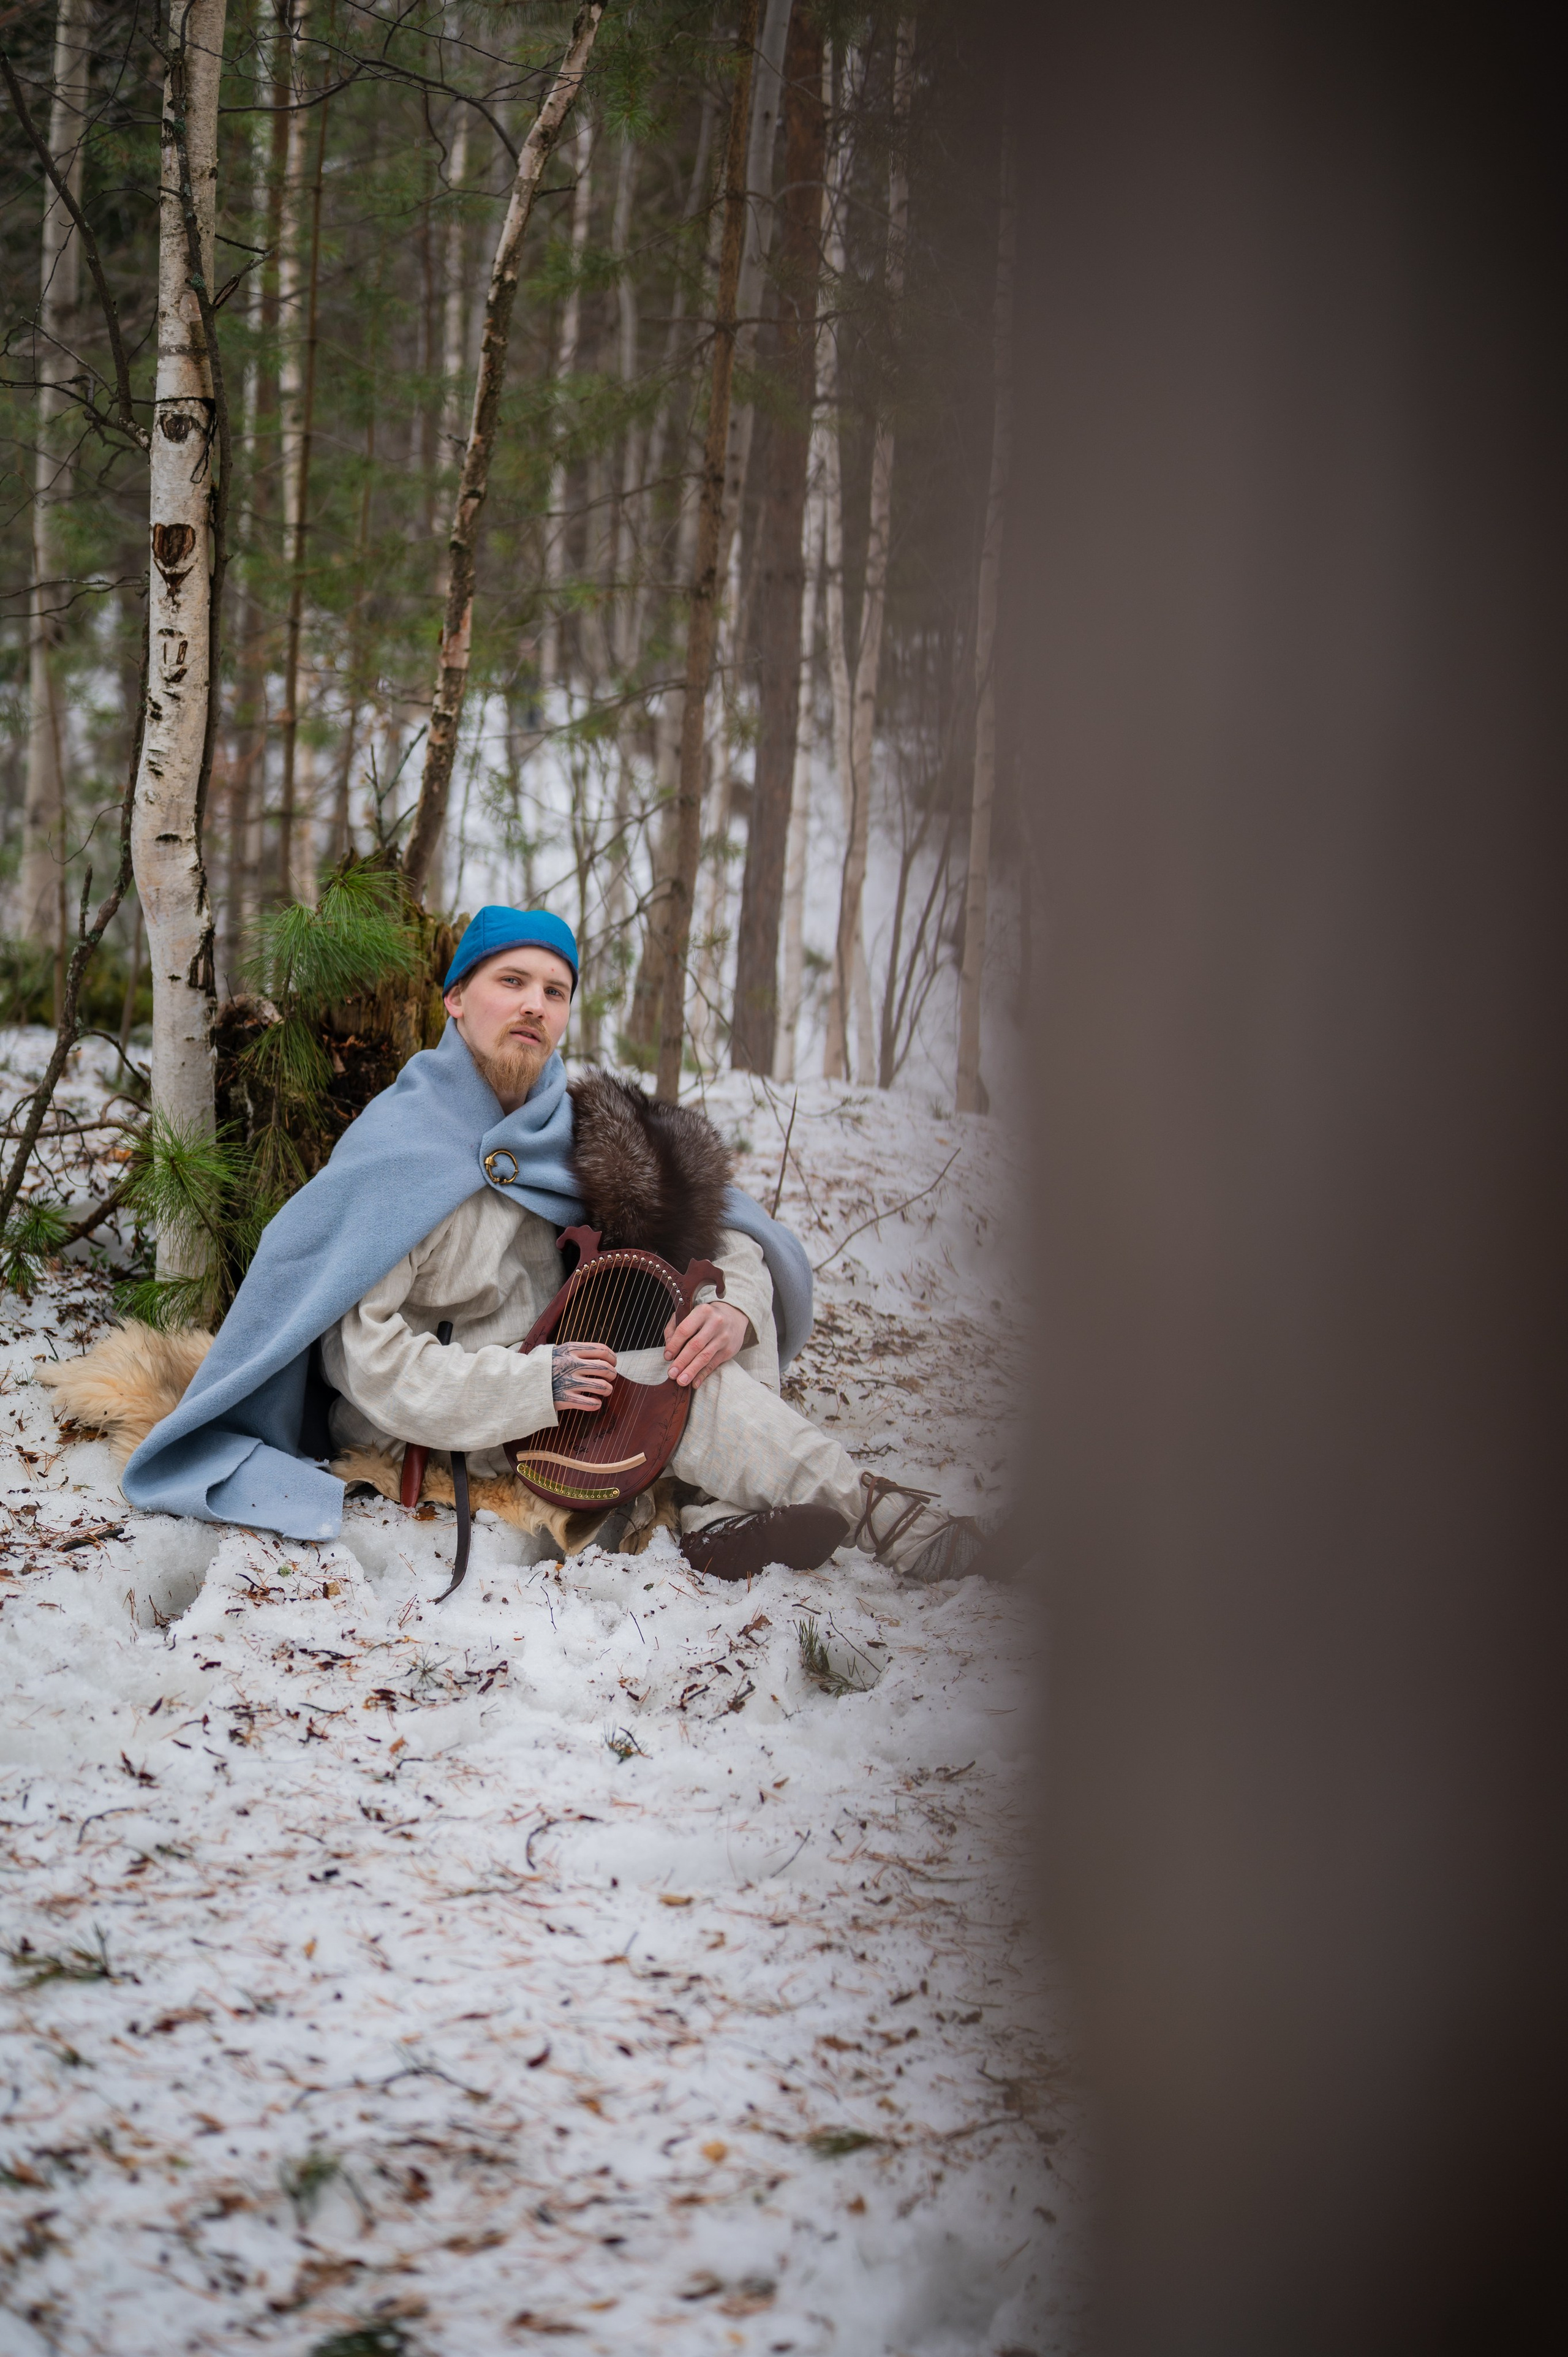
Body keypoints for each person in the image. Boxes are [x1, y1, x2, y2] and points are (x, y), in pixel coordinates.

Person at [49, 907, 993, 1590]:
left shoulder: (580, 1132)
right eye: (512, 982)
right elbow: (363, 1360)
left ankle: (718, 1522)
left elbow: (736, 1231)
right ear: (457, 999)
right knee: (659, 1371)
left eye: (556, 990)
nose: (535, 1006)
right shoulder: (397, 1153)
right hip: (442, 1414)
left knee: (714, 1305)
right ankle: (889, 1521)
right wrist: (531, 1384)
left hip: (571, 1384)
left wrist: (732, 1304)